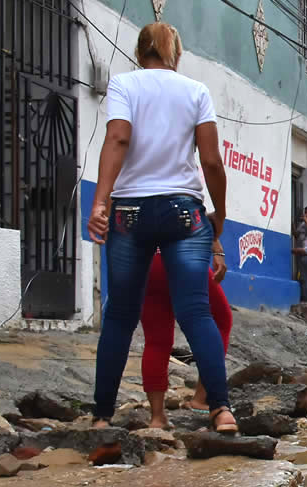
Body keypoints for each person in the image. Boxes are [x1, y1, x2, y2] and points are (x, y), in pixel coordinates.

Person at [86, 21, 235, 433]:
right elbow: (211, 162)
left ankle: (101, 416)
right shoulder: (196, 91)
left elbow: (116, 139)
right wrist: (218, 215)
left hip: (129, 212)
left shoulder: (124, 85)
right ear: (176, 54)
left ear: (139, 53)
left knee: (119, 316)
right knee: (196, 312)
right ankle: (220, 410)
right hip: (183, 212)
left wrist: (100, 201)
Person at [140, 252, 232, 429]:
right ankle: (203, 398)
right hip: (184, 255)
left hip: (147, 260)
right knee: (219, 320)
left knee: (156, 340)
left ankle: (157, 417)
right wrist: (217, 249)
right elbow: (210, 224)